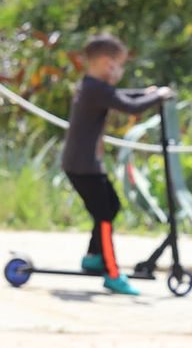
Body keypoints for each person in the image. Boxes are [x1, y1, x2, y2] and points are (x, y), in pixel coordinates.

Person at [60, 33, 173, 296]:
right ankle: (112, 273)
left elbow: (119, 96)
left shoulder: (92, 87)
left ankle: (93, 257)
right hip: (83, 166)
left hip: (83, 165)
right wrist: (160, 96)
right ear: (104, 63)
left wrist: (146, 93)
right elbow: (131, 107)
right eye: (118, 65)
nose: (119, 71)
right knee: (104, 218)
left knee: (111, 206)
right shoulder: (95, 89)